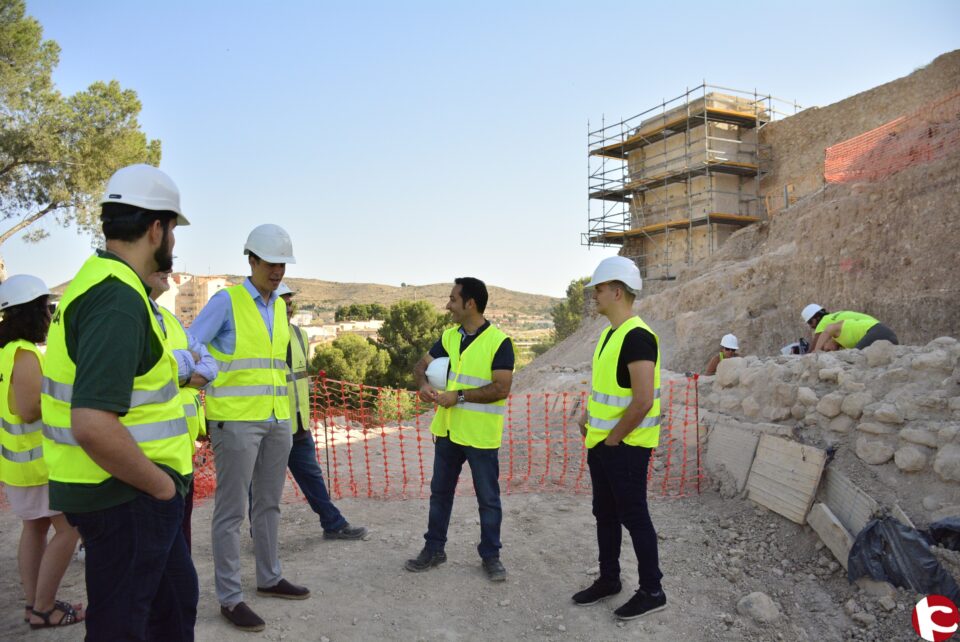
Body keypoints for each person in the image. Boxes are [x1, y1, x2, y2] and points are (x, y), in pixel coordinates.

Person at [40, 164, 199, 639]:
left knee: (172, 603)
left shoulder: (102, 284)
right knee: (123, 624)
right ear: (156, 230)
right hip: (127, 494)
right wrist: (161, 488)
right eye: (172, 230)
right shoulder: (116, 299)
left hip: (124, 490)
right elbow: (91, 421)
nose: (173, 241)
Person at [189, 224, 308, 632]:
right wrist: (202, 372)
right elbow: (192, 344)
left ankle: (269, 578)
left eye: (282, 264)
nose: (278, 271)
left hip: (277, 420)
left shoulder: (277, 305)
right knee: (231, 511)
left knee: (269, 505)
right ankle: (230, 597)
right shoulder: (226, 302)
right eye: (271, 263)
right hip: (236, 422)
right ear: (252, 260)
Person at [572, 256, 667, 621]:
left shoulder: (638, 336)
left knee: (634, 516)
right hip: (602, 443)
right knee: (605, 514)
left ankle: (652, 590)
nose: (594, 295)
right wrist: (587, 416)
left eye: (598, 288)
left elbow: (642, 400)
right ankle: (609, 579)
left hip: (624, 447)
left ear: (616, 291)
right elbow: (608, 390)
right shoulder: (610, 334)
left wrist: (613, 440)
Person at [405, 277, 514, 582]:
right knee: (440, 493)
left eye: (453, 299)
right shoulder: (449, 337)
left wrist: (460, 395)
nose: (447, 305)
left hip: (480, 435)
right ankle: (434, 549)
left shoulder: (499, 342)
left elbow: (502, 388)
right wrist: (424, 385)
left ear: (470, 304)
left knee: (488, 499)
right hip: (449, 431)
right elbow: (420, 366)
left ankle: (491, 556)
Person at [0, 275, 84, 629]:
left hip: (19, 464)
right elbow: (30, 408)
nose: (50, 315)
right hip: (39, 464)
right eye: (47, 308)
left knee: (33, 529)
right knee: (69, 530)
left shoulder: (5, 352)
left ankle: (35, 605)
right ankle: (45, 607)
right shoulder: (25, 354)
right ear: (31, 313)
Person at [275, 283, 367, 539]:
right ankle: (261, 534)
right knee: (261, 486)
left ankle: (333, 524)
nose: (289, 306)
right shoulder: (262, 336)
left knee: (312, 478)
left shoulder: (301, 336)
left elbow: (299, 378)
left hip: (299, 422)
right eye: (283, 301)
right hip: (272, 423)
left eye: (290, 301)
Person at [145, 269, 218, 551]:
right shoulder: (130, 318)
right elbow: (145, 368)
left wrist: (177, 371)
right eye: (160, 266)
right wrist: (188, 362)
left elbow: (210, 368)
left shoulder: (172, 321)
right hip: (146, 459)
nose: (169, 273)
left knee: (180, 542)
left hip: (182, 453)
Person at [801, 304, 898, 352]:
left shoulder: (826, 322)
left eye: (810, 322)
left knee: (855, 356)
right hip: (885, 333)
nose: (811, 326)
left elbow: (814, 349)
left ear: (817, 317)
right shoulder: (837, 317)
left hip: (875, 331)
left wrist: (814, 353)